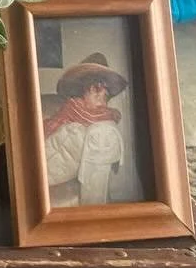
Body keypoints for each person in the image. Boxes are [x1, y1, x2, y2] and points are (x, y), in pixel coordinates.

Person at [42, 53, 131, 207]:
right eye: (97, 88)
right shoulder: (74, 105)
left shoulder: (99, 113)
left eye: (106, 91)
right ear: (84, 89)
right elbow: (91, 118)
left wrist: (111, 114)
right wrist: (112, 114)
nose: (103, 94)